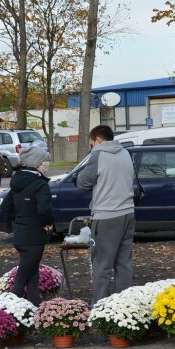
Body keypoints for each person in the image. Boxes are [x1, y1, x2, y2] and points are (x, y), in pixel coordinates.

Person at [76, 125, 136, 304]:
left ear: (98, 140)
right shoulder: (125, 153)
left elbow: (82, 183)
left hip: (107, 215)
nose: (91, 147)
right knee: (124, 263)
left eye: (91, 143)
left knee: (102, 265)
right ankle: (124, 306)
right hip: (128, 212)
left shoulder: (98, 154)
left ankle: (100, 307)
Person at [10, 146, 53, 305]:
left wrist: (20, 220)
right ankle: (8, 312)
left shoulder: (17, 182)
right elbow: (44, 210)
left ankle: (34, 310)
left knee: (32, 279)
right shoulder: (40, 184)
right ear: (38, 164)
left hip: (20, 235)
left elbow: (7, 208)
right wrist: (47, 223)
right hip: (34, 237)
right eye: (45, 161)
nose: (47, 164)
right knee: (21, 281)